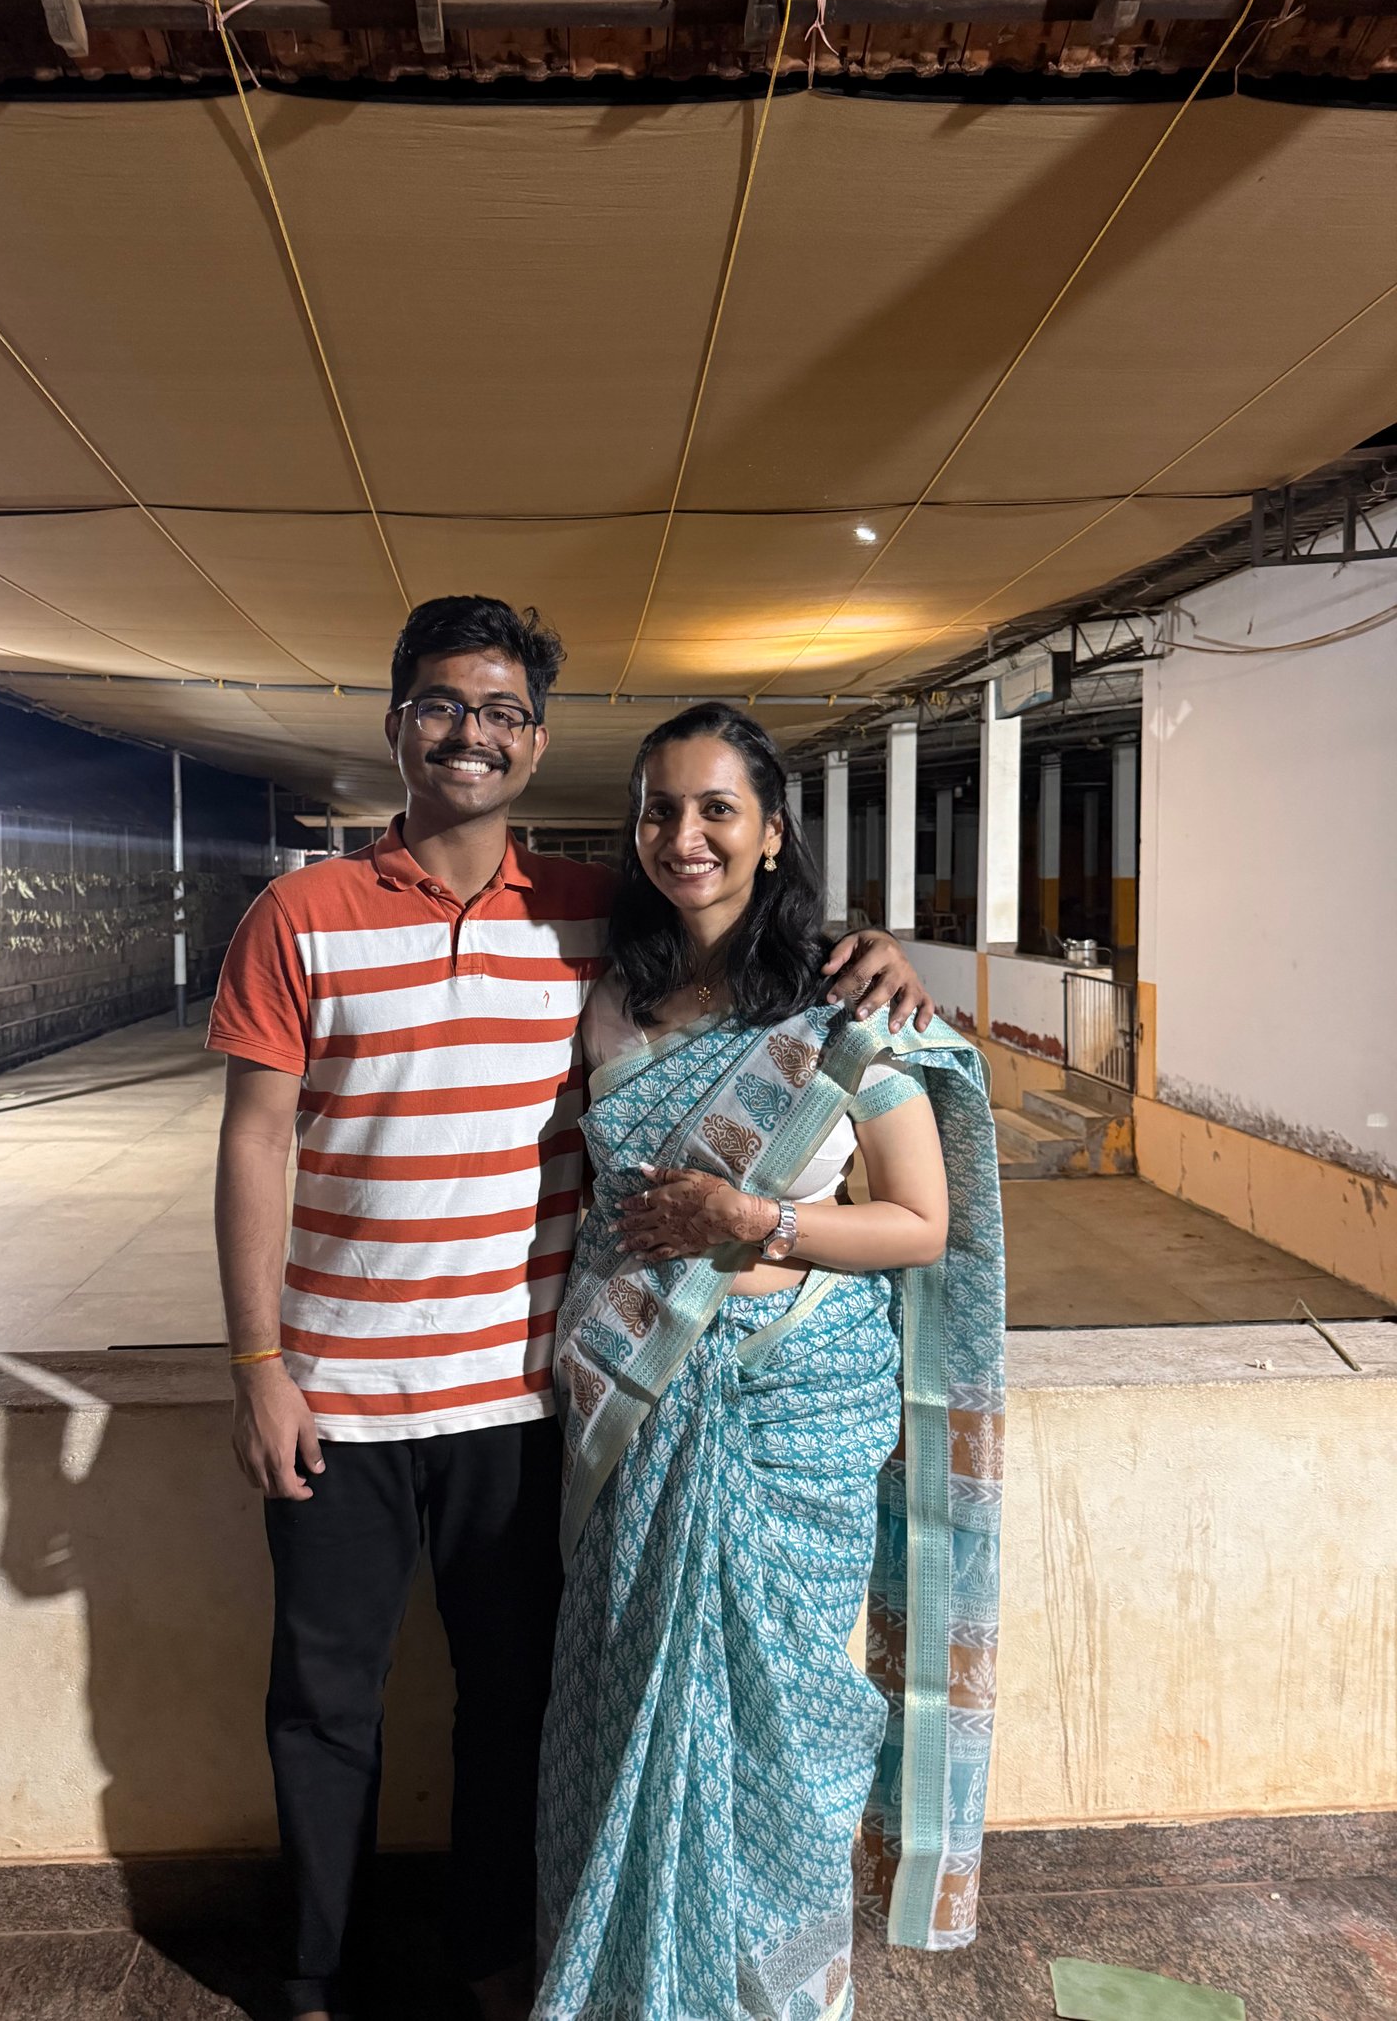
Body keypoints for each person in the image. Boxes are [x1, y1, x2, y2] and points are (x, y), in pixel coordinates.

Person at [205, 597, 935, 2021]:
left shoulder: (589, 916)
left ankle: (498, 1953)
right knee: (324, 1699)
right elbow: (253, 1142)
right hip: (340, 1394)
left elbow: (757, 951)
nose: (469, 734)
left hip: (524, 1396)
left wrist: (881, 949)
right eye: (441, 705)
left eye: (501, 712)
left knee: (516, 1700)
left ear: (536, 742)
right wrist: (257, 1363)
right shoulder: (298, 916)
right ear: (397, 722)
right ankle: (312, 1971)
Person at [533, 702, 1005, 2021]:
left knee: (782, 1721)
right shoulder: (611, 993)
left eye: (717, 809)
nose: (684, 835)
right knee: (629, 1692)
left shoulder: (844, 1002)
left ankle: (770, 1997)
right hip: (638, 1393)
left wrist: (757, 1219)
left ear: (772, 831)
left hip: (795, 1399)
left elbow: (921, 1221)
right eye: (660, 810)